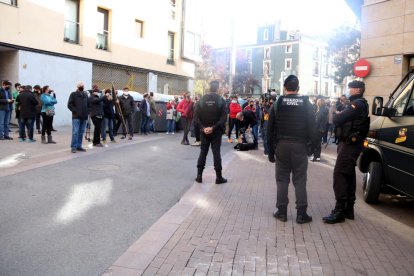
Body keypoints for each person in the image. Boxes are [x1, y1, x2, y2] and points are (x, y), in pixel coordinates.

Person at [267, 75, 315, 224]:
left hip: (282, 146)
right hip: (300, 146)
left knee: (282, 180)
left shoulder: (277, 104)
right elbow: (312, 128)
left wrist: (270, 151)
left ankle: (281, 212)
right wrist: (311, 148)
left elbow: (269, 130)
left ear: (285, 88)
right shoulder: (306, 104)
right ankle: (301, 214)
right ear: (298, 88)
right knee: (300, 180)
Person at [323, 80, 370, 224]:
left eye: (351, 88)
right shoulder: (358, 104)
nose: (349, 91)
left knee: (340, 174)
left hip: (350, 144)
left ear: (357, 90)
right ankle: (349, 209)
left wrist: (339, 113)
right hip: (350, 143)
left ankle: (339, 211)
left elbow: (337, 118)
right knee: (348, 174)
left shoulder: (358, 104)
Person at [193, 80, 227, 184]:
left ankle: (199, 176)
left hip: (204, 131)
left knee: (203, 152)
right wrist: (213, 127)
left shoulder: (202, 100)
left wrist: (203, 128)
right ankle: (218, 177)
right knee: (216, 152)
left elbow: (196, 118)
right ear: (217, 89)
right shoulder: (221, 100)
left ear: (209, 88)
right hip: (216, 131)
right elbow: (224, 118)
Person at [67, 82, 89, 153]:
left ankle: (79, 146)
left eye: (83, 85)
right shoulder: (73, 94)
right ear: (77, 86)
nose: (82, 87)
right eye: (80, 86)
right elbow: (69, 104)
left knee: (81, 132)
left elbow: (89, 104)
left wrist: (88, 111)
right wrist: (75, 111)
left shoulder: (85, 94)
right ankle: (73, 147)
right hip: (76, 116)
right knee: (75, 132)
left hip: (84, 116)